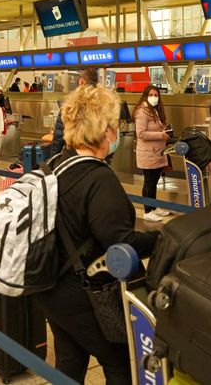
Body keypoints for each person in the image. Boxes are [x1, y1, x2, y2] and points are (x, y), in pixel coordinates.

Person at [33, 84, 158, 384]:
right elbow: (121, 244)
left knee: (70, 359)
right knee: (119, 362)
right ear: (104, 130)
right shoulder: (98, 178)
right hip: (84, 292)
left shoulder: (53, 164)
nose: (116, 132)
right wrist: (162, 238)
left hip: (50, 283)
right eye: (114, 125)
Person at [135, 85, 171, 222]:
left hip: (157, 153)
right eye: (151, 95)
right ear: (145, 96)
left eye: (156, 95)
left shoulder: (154, 111)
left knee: (154, 181)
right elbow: (141, 133)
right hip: (148, 154)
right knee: (149, 182)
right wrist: (160, 135)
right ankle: (147, 210)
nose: (154, 97)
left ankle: (154, 207)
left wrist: (165, 131)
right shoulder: (142, 111)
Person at [50, 68, 98, 157]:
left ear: (81, 81)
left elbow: (59, 137)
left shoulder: (70, 104)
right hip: (98, 156)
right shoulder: (104, 103)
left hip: (75, 156)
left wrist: (53, 158)